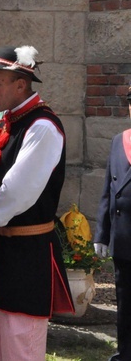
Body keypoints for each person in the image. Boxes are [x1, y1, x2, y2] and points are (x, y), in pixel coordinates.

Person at [0, 45, 73, 360]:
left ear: (21, 85)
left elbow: (17, 190)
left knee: (20, 346)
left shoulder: (42, 126)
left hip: (27, 255)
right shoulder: (8, 123)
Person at [94, 84, 131, 361]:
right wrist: (102, 234)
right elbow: (108, 189)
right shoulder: (119, 140)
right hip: (123, 239)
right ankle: (124, 353)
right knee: (125, 303)